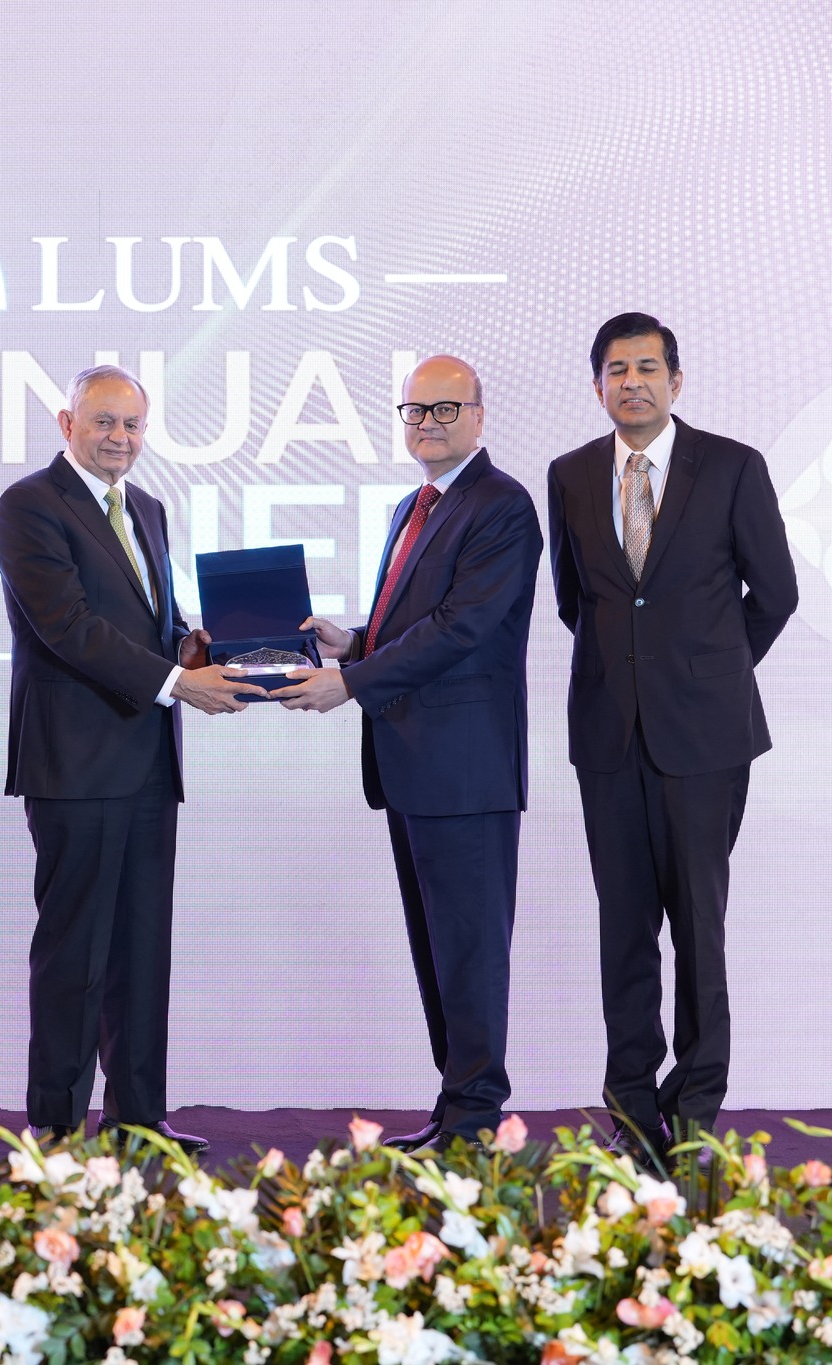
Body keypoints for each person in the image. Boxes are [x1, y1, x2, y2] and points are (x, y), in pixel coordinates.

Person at [271, 355, 541, 1151]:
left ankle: (477, 1119)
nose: (427, 423)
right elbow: (415, 623)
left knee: (470, 951)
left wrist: (350, 681)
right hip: (415, 765)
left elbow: (462, 628)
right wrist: (351, 640)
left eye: (445, 409)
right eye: (415, 411)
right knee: (438, 950)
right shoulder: (411, 506)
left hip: (467, 770)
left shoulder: (502, 505)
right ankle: (456, 1110)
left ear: (479, 416)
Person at [547, 313, 798, 1163]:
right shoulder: (570, 474)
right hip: (607, 737)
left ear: (676, 381)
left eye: (648, 367)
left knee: (698, 929)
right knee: (623, 932)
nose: (633, 382)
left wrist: (705, 672)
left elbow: (776, 593)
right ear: (597, 386)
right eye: (616, 370)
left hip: (705, 739)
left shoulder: (731, 466)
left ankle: (693, 1112)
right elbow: (576, 601)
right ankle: (629, 1110)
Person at [0, 364, 258, 1154]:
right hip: (74, 762)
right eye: (103, 421)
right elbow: (68, 626)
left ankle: (140, 1117)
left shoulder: (146, 507)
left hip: (147, 758)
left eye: (132, 424)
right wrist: (179, 682)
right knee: (74, 949)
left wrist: (197, 646)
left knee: (143, 946)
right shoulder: (29, 505)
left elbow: (150, 623)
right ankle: (56, 1121)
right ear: (67, 423)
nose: (119, 437)